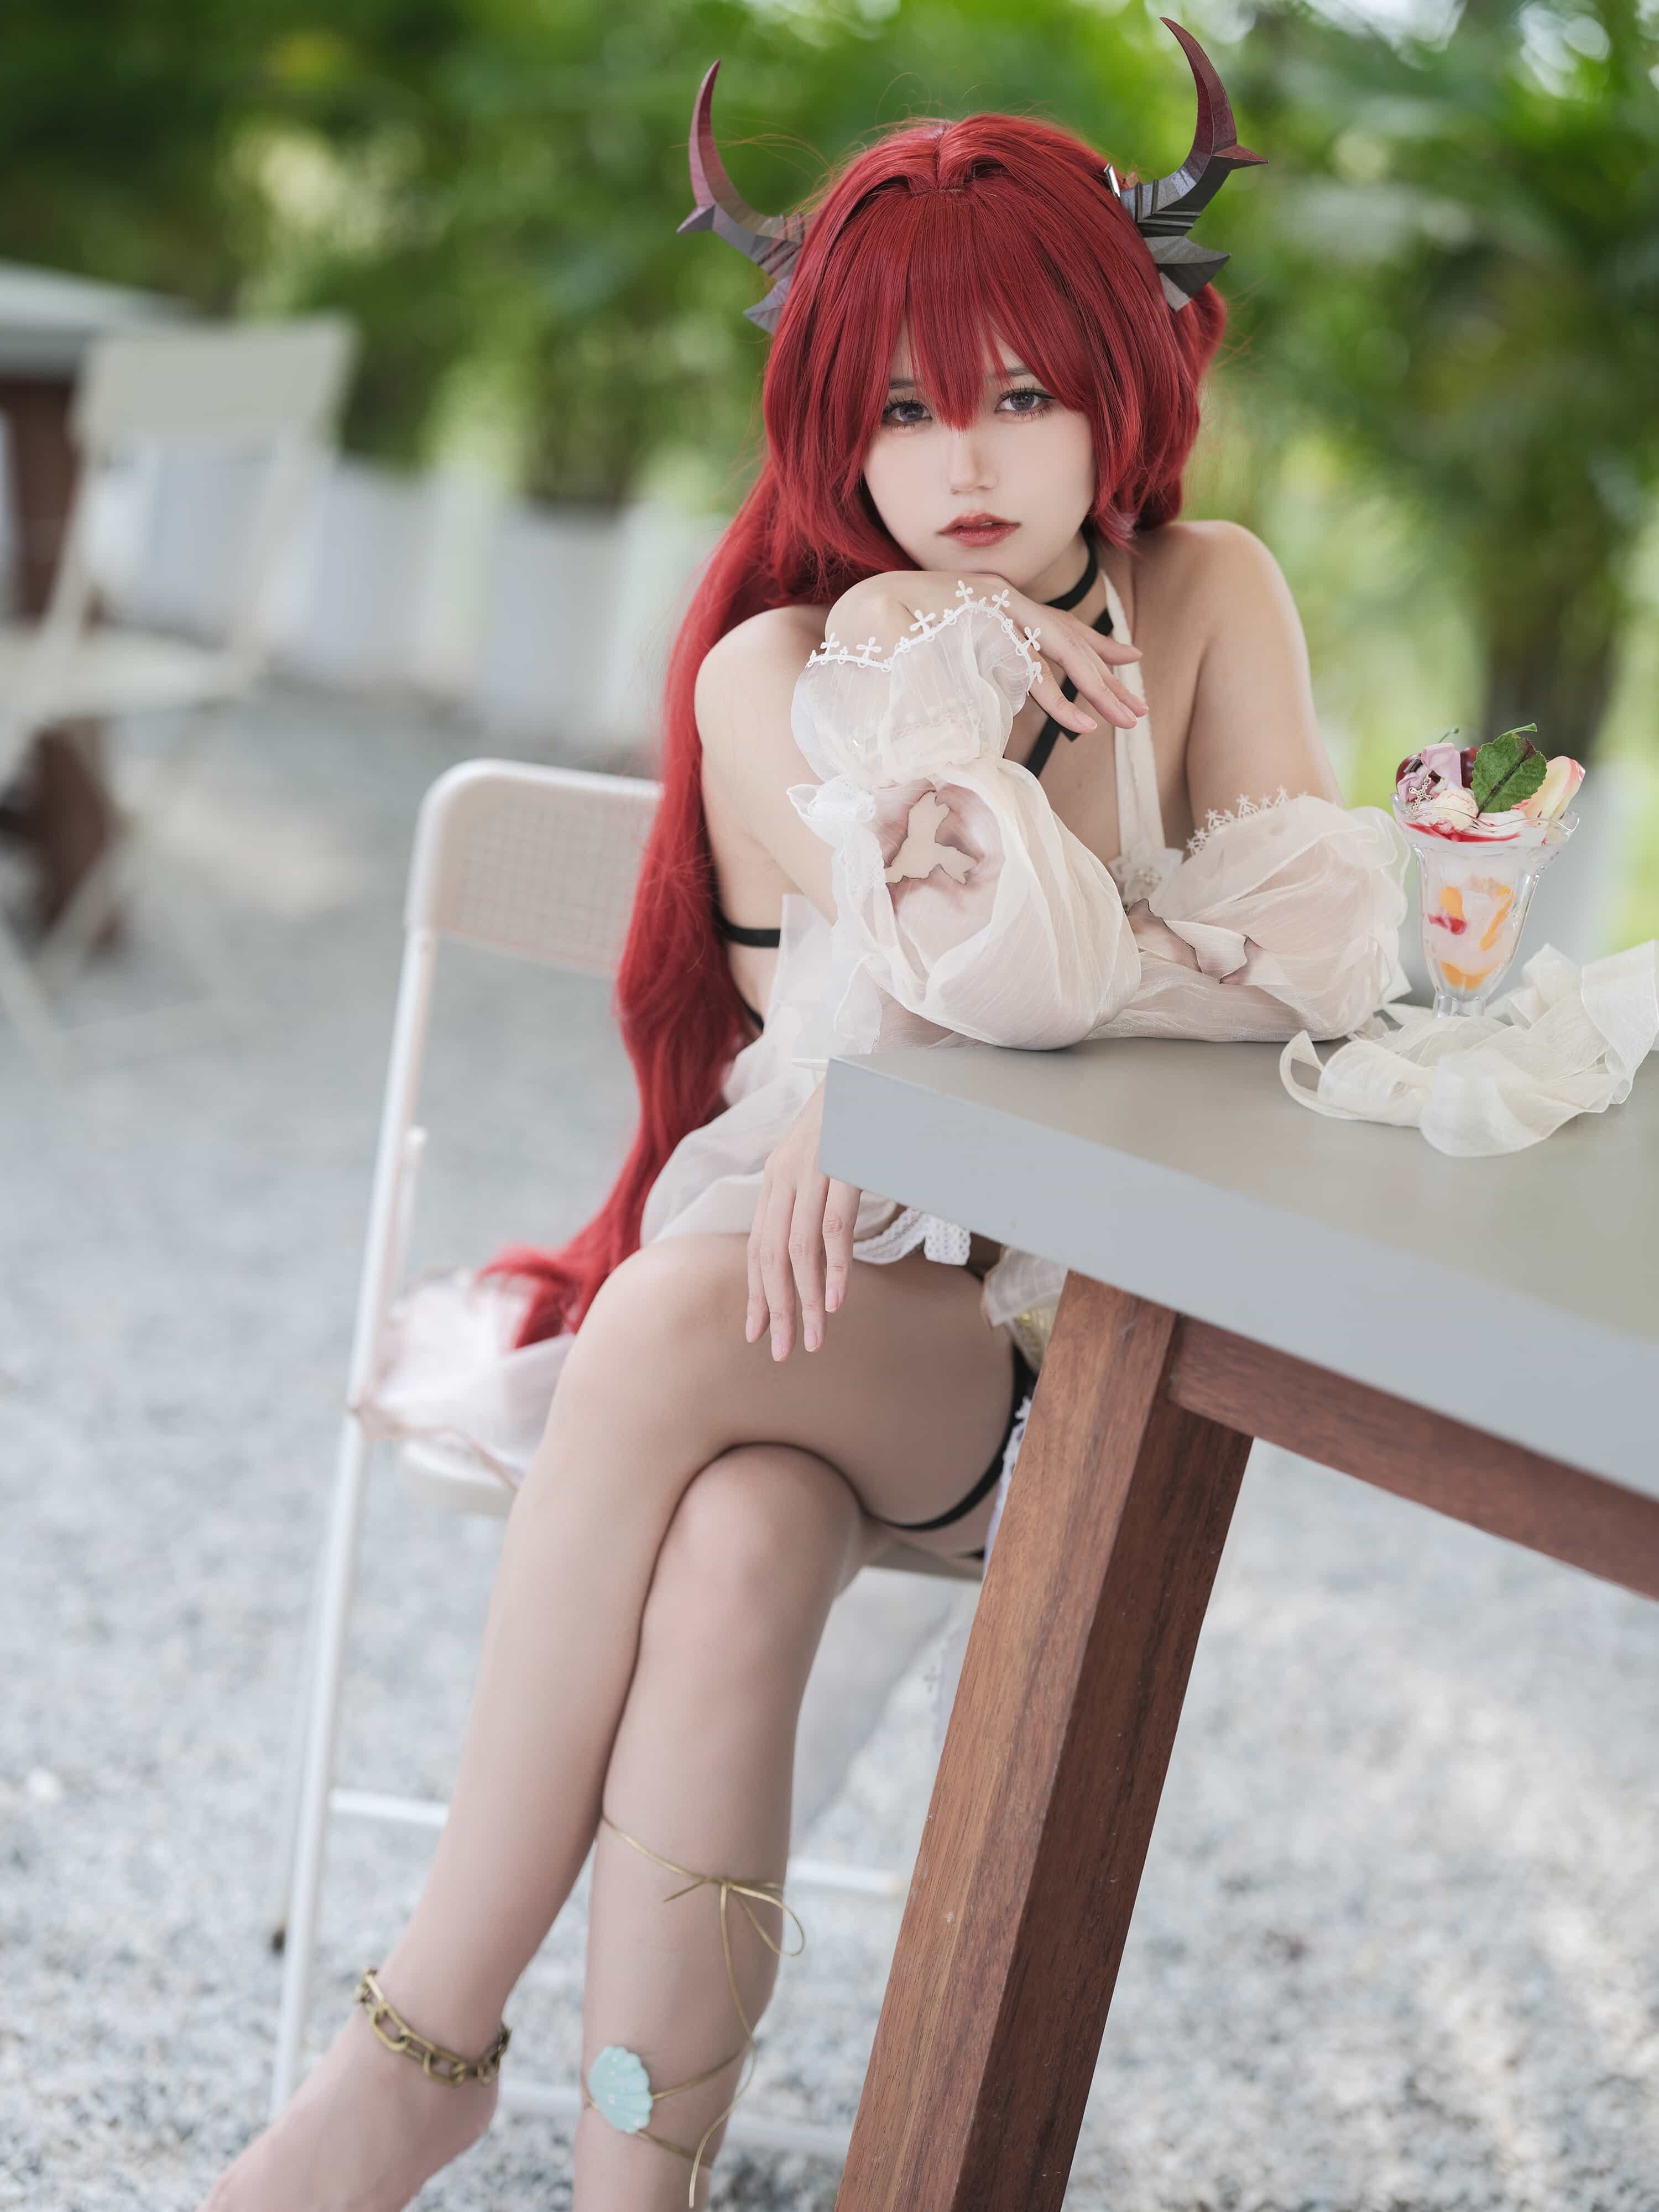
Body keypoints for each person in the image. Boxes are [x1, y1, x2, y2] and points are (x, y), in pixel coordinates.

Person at [204, 30, 1406, 2212]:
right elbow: (959, 955)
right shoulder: (773, 673)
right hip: (805, 1319)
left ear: (1122, 375)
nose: (968, 458)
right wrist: (972, 721)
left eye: (1020, 391)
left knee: (672, 1323)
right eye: (903, 406)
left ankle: (417, 2046)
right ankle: (621, 2187)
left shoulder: (1210, 596)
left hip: (1044, 1349)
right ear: (833, 425)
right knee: (743, 1535)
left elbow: (1313, 977)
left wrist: (918, 1089)